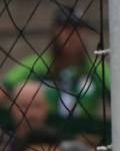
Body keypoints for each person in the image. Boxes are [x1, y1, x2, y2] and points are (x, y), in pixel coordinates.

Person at [4, 9, 108, 138]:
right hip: (42, 140)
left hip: (84, 143)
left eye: (78, 29)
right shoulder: (35, 65)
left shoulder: (98, 69)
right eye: (66, 29)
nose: (72, 35)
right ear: (54, 31)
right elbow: (3, 91)